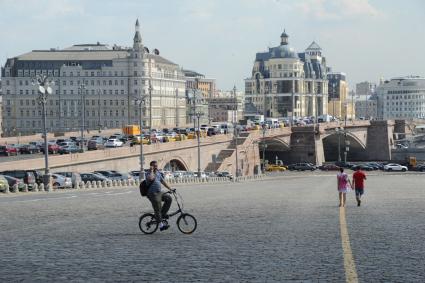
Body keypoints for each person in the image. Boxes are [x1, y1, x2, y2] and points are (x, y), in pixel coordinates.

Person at [145, 160, 174, 231]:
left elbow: (163, 181)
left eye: (156, 166)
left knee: (169, 198)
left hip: (159, 192)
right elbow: (151, 178)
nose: (156, 167)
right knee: (158, 207)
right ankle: (161, 226)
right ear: (151, 166)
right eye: (154, 166)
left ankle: (162, 215)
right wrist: (151, 170)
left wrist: (170, 189)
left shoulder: (158, 173)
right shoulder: (148, 173)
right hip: (152, 194)